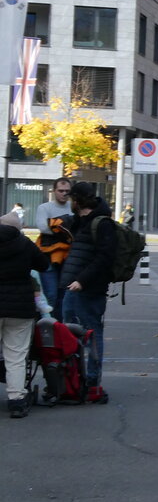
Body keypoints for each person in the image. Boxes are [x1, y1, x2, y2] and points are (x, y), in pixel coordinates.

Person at [60, 181, 115, 403]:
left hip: (90, 288)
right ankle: (72, 380)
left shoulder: (102, 223)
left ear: (78, 200)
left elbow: (104, 257)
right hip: (73, 286)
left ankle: (93, 382)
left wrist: (82, 281)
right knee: (68, 332)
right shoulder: (80, 221)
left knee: (92, 333)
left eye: (71, 198)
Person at [0, 212, 50, 418]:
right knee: (16, 356)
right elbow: (44, 265)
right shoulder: (24, 244)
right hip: (20, 308)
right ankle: (16, 400)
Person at [36, 178, 74, 318]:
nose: (64, 193)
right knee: (50, 294)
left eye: (67, 191)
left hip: (68, 257)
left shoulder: (73, 207)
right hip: (48, 256)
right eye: (61, 191)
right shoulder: (44, 208)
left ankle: (60, 325)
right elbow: (43, 228)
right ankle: (48, 324)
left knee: (64, 295)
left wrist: (56, 226)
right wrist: (66, 231)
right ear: (54, 191)